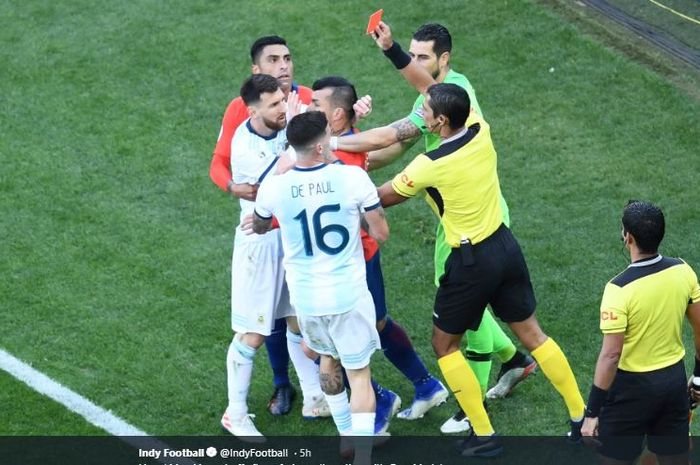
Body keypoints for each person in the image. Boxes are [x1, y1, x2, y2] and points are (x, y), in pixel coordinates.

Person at [337, 82, 586, 457]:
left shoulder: (427, 166)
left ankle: (483, 433)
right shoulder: (481, 130)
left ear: (440, 121)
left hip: (470, 264)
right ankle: (581, 418)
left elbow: (378, 197)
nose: (420, 110)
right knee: (534, 334)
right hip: (505, 246)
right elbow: (432, 88)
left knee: (444, 344)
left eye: (425, 108)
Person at [350, 22, 537, 433]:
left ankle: (473, 412)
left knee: (463, 314)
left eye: (423, 58)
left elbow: (393, 136)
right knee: (467, 304)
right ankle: (516, 361)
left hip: (473, 223)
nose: (415, 65)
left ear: (444, 61)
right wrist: (354, 161)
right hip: (457, 219)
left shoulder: (453, 94)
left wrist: (333, 147)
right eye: (412, 56)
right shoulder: (437, 99)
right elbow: (398, 147)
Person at [252, 111, 389, 464]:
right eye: (328, 136)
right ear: (318, 146)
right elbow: (381, 233)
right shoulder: (352, 178)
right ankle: (361, 456)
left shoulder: (275, 186)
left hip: (306, 299)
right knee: (359, 375)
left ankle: (345, 435)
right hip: (347, 293)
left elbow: (261, 224)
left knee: (327, 357)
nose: (333, 141)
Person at [309, 76, 449, 422]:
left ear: (336, 116)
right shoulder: (341, 146)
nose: (309, 108)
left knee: (324, 341)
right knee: (375, 324)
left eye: (316, 105)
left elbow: (370, 215)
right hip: (350, 258)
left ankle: (381, 400)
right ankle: (425, 387)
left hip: (350, 260)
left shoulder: (340, 156)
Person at [220, 74, 329, 440]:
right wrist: (294, 137)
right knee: (253, 332)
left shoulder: (286, 125)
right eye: (274, 105)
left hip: (290, 240)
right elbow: (269, 186)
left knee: (298, 319)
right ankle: (235, 413)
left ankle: (314, 396)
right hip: (260, 245)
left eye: (284, 101)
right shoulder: (243, 145)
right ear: (252, 110)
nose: (283, 109)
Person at [210, 35, 311, 416]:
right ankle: (269, 393)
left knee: (296, 318)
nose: (283, 66)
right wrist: (232, 185)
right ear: (257, 70)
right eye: (273, 60)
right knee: (260, 325)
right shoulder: (243, 119)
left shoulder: (300, 103)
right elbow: (228, 167)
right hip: (262, 233)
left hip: (294, 233)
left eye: (287, 57)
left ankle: (316, 395)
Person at [581, 201, 700, 465]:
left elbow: (611, 355)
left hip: (630, 392)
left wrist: (592, 413)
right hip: (672, 383)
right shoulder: (683, 270)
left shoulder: (618, 289)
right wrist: (699, 376)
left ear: (628, 238)